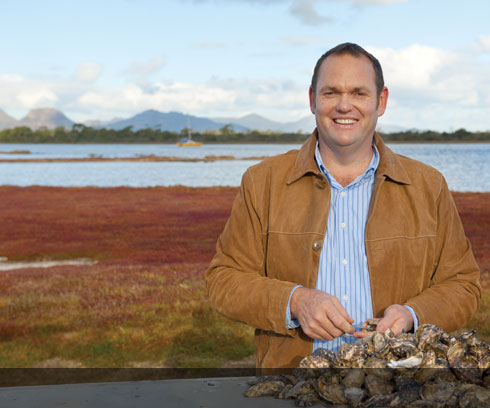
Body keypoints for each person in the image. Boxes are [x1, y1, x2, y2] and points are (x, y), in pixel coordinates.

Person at [205, 42, 481, 369]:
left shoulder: (428, 185)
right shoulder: (261, 182)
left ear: (382, 101)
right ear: (312, 100)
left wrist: (412, 315)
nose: (344, 105)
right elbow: (223, 280)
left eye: (359, 93)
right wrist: (294, 300)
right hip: (292, 383)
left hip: (396, 384)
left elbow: (463, 285)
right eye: (331, 92)